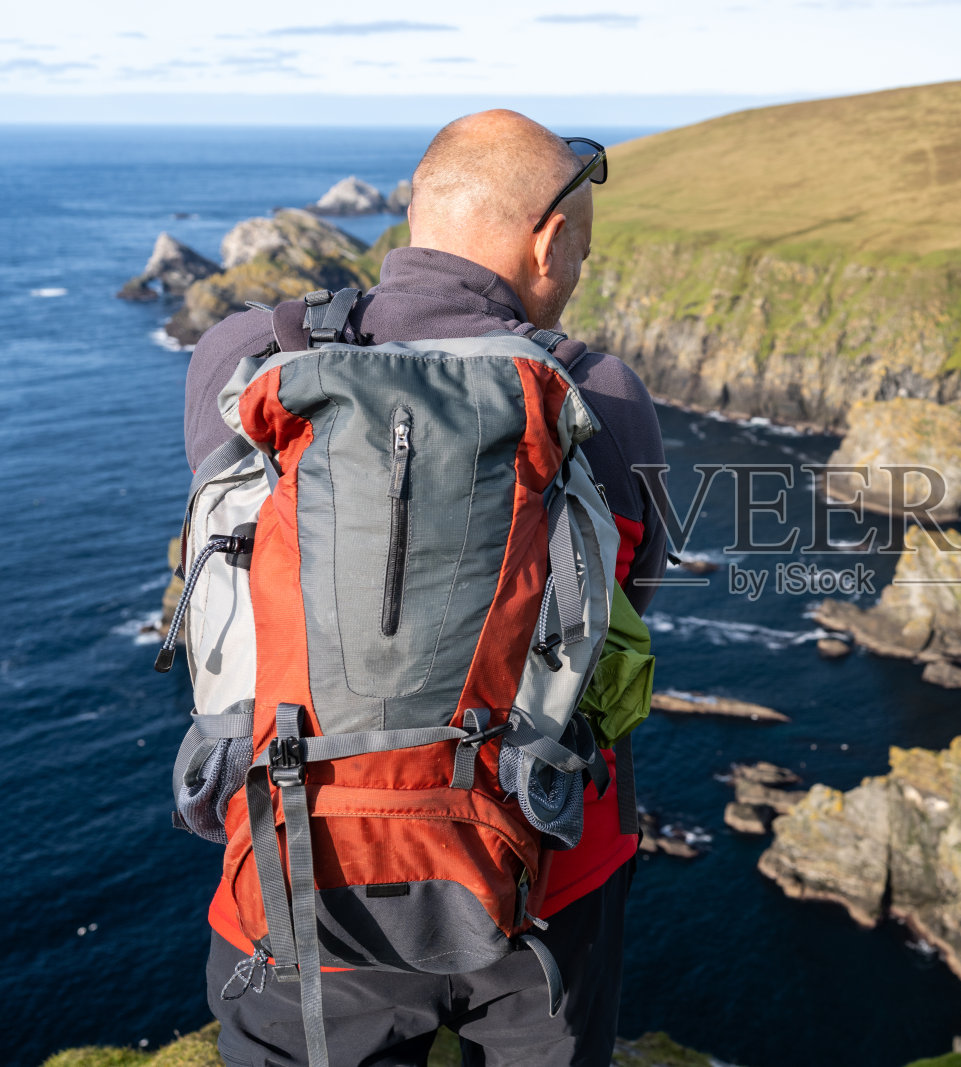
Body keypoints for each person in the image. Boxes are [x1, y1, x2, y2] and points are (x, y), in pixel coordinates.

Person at [182, 109, 667, 1067]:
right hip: (539, 873)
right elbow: (622, 607)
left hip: (298, 865)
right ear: (549, 239)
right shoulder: (596, 391)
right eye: (580, 253)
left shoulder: (240, 355)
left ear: (416, 215)